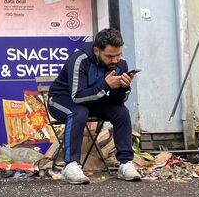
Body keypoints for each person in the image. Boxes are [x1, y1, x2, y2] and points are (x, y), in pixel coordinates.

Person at [48, 28, 141, 184]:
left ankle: (125, 163)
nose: (115, 60)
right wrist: (105, 85)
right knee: (78, 111)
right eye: (110, 56)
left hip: (92, 100)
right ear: (96, 50)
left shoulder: (120, 63)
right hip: (61, 100)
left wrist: (124, 88)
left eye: (118, 55)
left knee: (121, 112)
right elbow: (77, 97)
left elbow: (117, 100)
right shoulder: (79, 60)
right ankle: (70, 165)